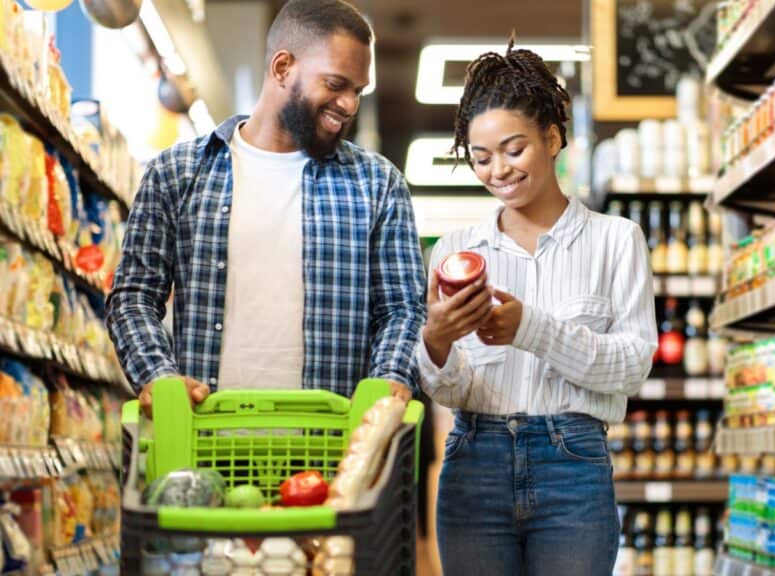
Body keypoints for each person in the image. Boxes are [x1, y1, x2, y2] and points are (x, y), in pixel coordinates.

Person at [107, 0, 425, 414]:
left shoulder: (377, 184)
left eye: (357, 91)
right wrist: (160, 377)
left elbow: (403, 309)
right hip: (204, 442)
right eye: (335, 84)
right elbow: (133, 296)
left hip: (333, 451)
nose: (348, 104)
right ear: (282, 68)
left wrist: (389, 377)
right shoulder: (177, 173)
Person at [418, 40, 658, 575]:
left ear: (552, 138)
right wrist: (435, 342)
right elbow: (453, 390)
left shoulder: (616, 240)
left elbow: (633, 364)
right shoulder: (456, 251)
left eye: (513, 149)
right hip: (473, 462)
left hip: (573, 466)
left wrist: (530, 328)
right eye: (481, 158)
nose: (497, 170)